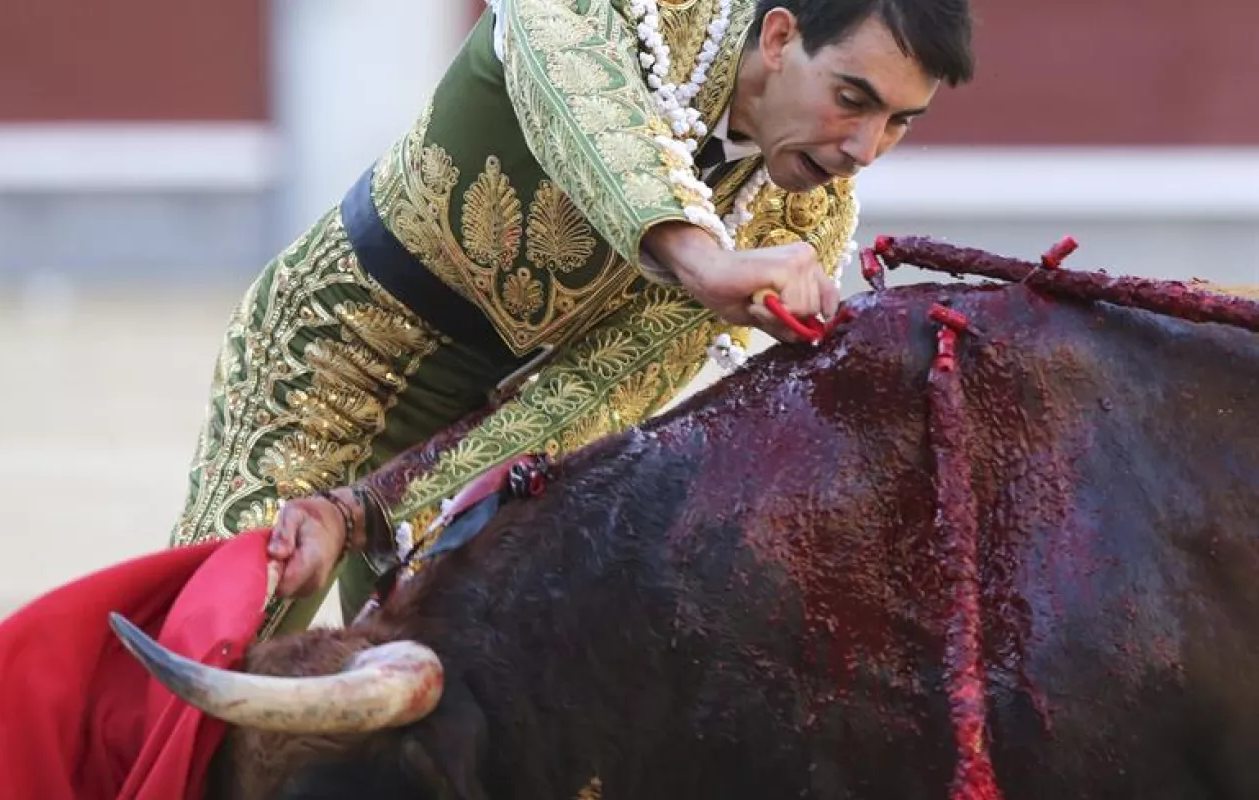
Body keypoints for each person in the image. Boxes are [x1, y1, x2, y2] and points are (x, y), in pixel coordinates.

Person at [170, 0, 976, 637]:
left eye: (900, 122)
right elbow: (585, 103)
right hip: (334, 350)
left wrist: (360, 514)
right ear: (777, 37)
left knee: (454, 721)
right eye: (852, 99)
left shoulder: (797, 226)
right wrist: (704, 262)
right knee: (215, 651)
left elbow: (599, 393)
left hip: (495, 433)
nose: (866, 148)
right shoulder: (641, 10)